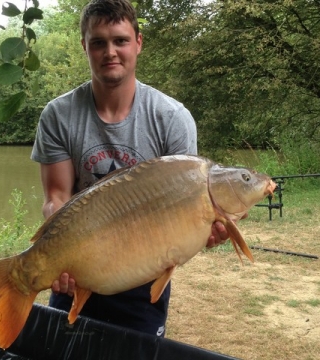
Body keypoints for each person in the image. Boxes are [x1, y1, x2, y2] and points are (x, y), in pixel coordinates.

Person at [31, 0, 228, 337]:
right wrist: (56, 257)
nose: (110, 52)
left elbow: (186, 209)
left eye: (120, 40)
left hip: (143, 275)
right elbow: (57, 197)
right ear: (85, 46)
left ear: (138, 42)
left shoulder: (172, 118)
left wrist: (203, 232)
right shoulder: (58, 115)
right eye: (98, 42)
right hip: (79, 266)